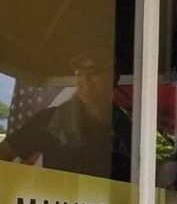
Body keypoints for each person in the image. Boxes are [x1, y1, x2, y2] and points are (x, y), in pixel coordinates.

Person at [0, 53, 132, 181]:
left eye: (93, 73)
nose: (84, 80)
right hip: (62, 201)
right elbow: (5, 152)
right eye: (79, 74)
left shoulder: (129, 126)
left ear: (112, 78)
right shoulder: (50, 119)